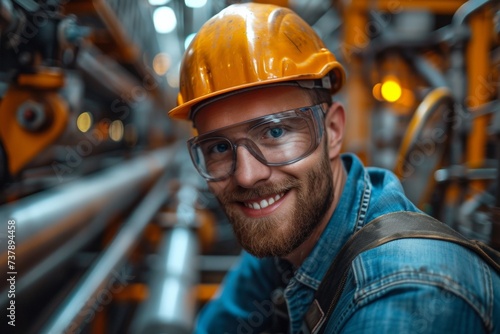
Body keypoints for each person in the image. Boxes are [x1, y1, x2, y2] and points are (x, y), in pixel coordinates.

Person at [168, 3, 500, 333]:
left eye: (275, 132)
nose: (247, 175)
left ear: (334, 131)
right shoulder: (284, 236)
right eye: (220, 147)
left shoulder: (404, 299)